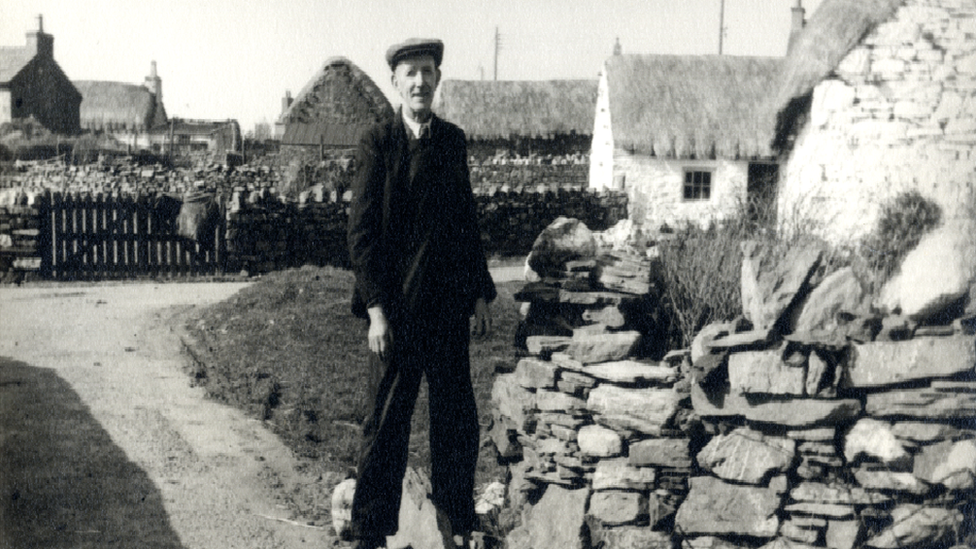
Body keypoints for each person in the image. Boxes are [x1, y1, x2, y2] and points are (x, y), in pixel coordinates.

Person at [346, 37, 496, 549]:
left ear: (437, 78)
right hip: (395, 314)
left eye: (428, 72)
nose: (420, 82)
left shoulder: (451, 141)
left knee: (456, 422)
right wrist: (376, 312)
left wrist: (479, 291)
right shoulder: (377, 143)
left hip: (446, 310)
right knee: (386, 424)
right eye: (410, 73)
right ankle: (368, 532)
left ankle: (455, 525)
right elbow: (361, 235)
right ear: (395, 81)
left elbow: (466, 223)